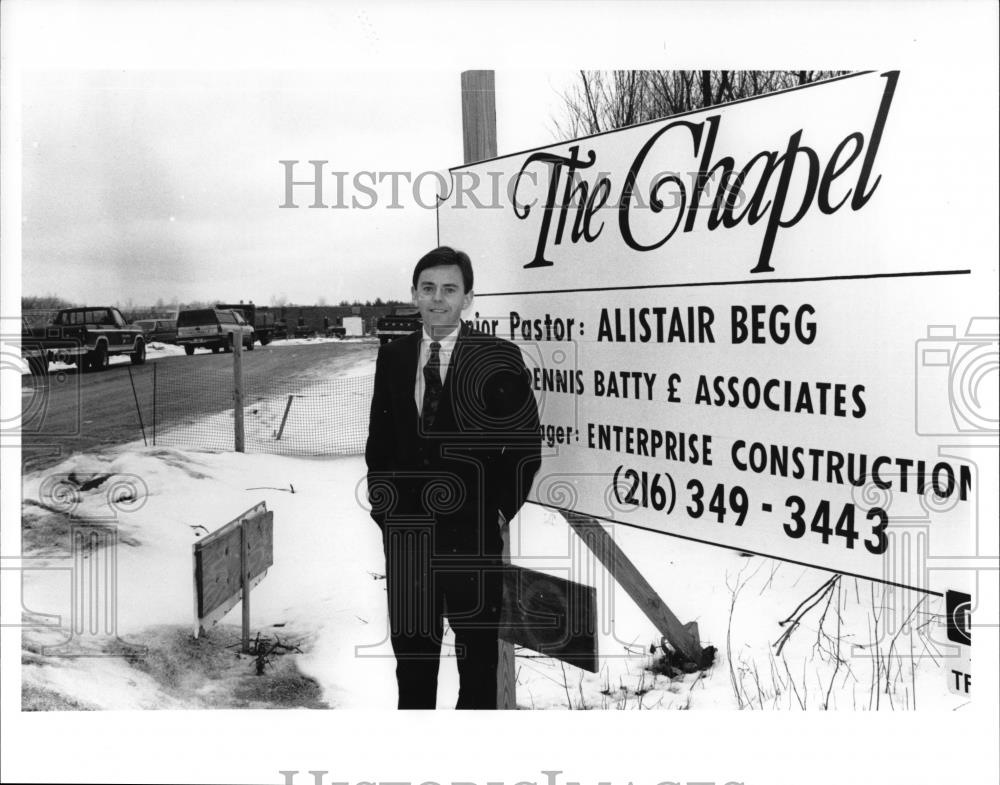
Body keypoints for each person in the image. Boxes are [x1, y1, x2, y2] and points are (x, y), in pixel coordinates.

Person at [365, 246, 542, 709]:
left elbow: (524, 449)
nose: (437, 299)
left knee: (478, 667)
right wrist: (386, 513)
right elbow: (379, 443)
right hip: (407, 539)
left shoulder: (498, 357)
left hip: (472, 539)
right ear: (414, 294)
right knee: (413, 667)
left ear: (467, 298)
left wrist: (498, 509)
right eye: (428, 288)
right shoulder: (395, 356)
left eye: (449, 289)